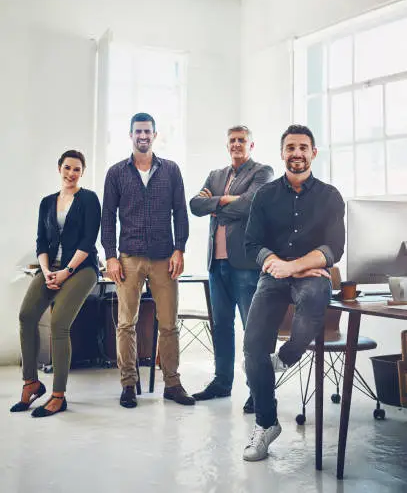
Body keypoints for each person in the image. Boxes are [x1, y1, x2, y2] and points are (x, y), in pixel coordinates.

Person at [242, 125, 345, 461]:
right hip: (274, 277)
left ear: (314, 152)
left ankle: (286, 357)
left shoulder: (330, 196)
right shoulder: (264, 196)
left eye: (303, 147)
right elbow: (252, 244)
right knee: (253, 347)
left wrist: (296, 267)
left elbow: (334, 248)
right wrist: (282, 266)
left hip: (310, 277)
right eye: (290, 147)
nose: (297, 153)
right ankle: (266, 424)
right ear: (282, 153)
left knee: (317, 294)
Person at [101, 112, 195, 408]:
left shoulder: (170, 170)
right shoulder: (116, 173)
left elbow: (180, 211)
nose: (143, 136)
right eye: (138, 132)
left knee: (169, 323)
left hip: (164, 257)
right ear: (131, 136)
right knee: (126, 324)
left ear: (155, 135)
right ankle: (128, 384)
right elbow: (107, 218)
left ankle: (172, 383)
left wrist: (180, 248)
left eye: (148, 132)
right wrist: (111, 256)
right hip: (128, 257)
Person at [11, 150, 101, 417]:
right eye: (67, 168)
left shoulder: (89, 199)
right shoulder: (47, 202)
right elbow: (41, 241)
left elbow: (88, 241)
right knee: (26, 315)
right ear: (59, 168)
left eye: (77, 169)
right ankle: (31, 384)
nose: (71, 173)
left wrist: (67, 271)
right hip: (52, 268)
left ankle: (58, 395)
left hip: (82, 268)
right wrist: (48, 270)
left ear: (82, 172)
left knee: (59, 323)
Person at [190, 125, 273, 411]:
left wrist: (215, 204)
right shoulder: (216, 175)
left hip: (246, 264)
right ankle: (222, 383)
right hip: (217, 263)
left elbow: (251, 205)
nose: (237, 144)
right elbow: (196, 205)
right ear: (227, 146)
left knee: (252, 329)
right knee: (222, 326)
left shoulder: (263, 172)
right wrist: (226, 200)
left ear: (251, 145)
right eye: (232, 141)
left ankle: (258, 390)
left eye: (242, 140)